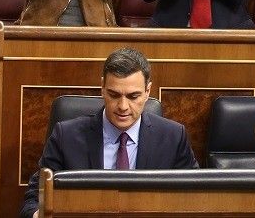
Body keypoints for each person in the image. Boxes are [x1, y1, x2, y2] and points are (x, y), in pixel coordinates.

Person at [19, 48, 198, 218]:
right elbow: (35, 198)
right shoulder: (66, 136)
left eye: (133, 96)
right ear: (102, 88)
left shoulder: (173, 137)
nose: (123, 106)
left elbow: (194, 197)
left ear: (147, 91)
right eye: (114, 95)